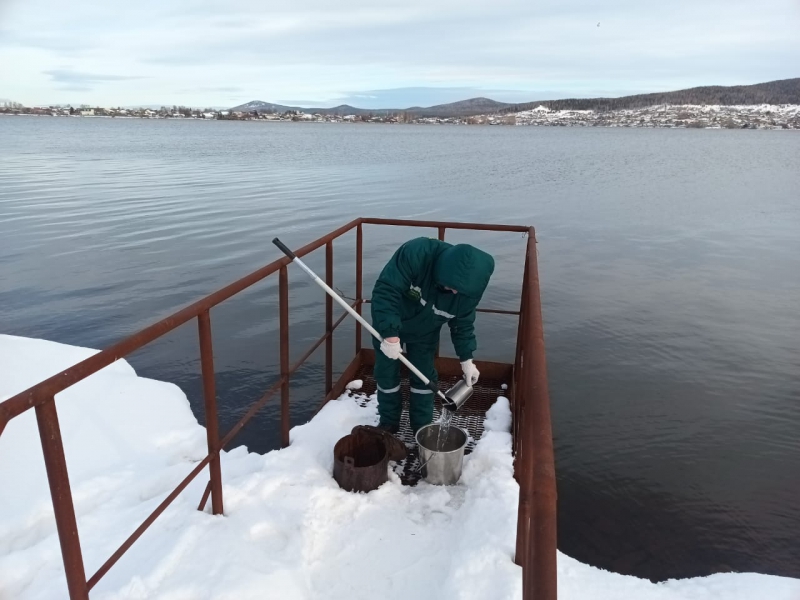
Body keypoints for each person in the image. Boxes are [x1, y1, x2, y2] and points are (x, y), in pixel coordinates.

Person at [370, 237, 495, 434]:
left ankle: (421, 426)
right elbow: (386, 291)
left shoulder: (468, 292)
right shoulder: (417, 253)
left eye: (460, 290)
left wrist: (467, 359)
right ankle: (388, 422)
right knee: (386, 373)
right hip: (389, 323)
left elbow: (462, 324)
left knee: (424, 376)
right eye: (451, 286)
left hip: (425, 332)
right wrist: (390, 335)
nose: (455, 292)